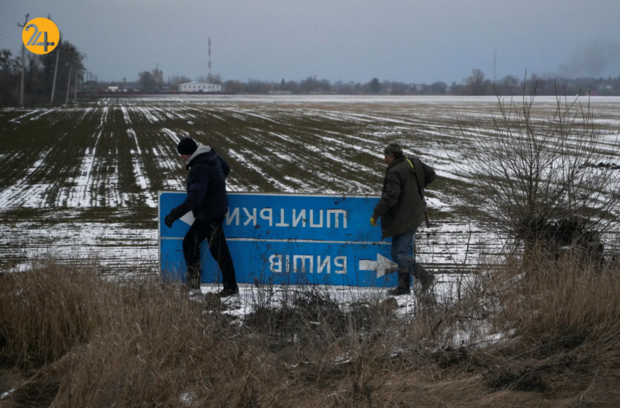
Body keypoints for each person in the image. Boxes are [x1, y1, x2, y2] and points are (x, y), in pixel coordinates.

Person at [164, 137, 238, 297]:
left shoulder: (199, 168)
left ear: (188, 153)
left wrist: (173, 215)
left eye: (182, 154)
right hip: (214, 210)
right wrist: (215, 186)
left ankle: (230, 288)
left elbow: (194, 198)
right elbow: (226, 169)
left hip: (209, 214)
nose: (181, 158)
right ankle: (194, 285)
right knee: (191, 243)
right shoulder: (211, 155)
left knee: (218, 250)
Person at [370, 142, 436, 296]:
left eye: (386, 156)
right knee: (403, 251)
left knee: (398, 254)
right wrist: (416, 191)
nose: (384, 159)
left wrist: (376, 214)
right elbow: (431, 174)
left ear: (392, 156)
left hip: (405, 217)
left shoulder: (394, 172)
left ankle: (425, 277)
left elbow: (391, 198)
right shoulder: (412, 162)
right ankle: (403, 287)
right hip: (416, 212)